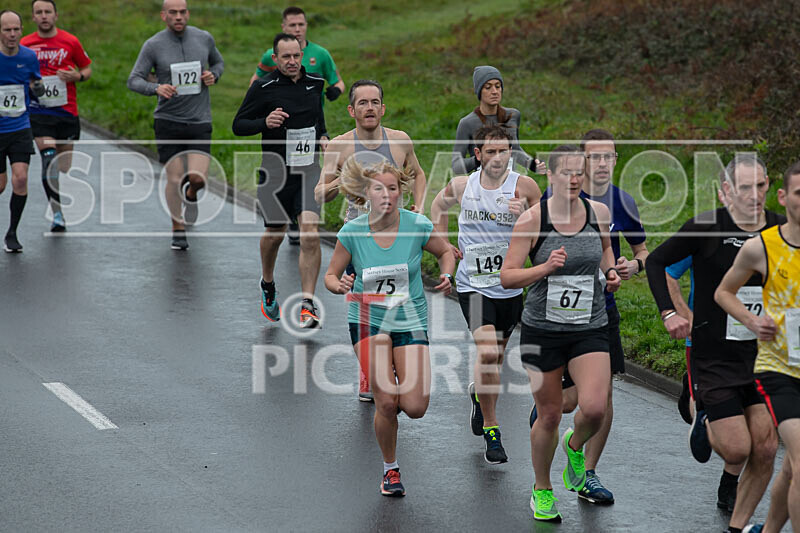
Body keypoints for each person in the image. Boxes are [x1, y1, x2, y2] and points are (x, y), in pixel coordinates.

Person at [646, 155, 783, 533]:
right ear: (725, 192)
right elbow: (657, 263)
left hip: (762, 358)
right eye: (743, 188)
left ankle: (738, 526)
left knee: (767, 447)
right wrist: (670, 314)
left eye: (760, 186)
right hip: (714, 357)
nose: (754, 195)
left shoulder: (780, 228)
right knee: (738, 448)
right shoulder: (706, 227)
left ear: (769, 185)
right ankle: (704, 415)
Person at [501, 145, 621, 522]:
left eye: (579, 173)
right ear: (549, 177)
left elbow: (604, 253)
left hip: (589, 325)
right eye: (566, 173)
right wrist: (544, 269)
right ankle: (542, 488)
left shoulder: (598, 213)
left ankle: (574, 445)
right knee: (549, 414)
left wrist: (613, 272)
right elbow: (507, 277)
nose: (573, 179)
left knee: (596, 407)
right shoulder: (533, 221)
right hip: (543, 329)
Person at [530, 129, 648, 505]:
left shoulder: (620, 202)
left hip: (599, 312)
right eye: (593, 157)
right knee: (563, 405)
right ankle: (547, 421)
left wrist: (631, 266)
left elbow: (642, 251)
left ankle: (588, 473)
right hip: (553, 316)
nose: (601, 164)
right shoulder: (555, 198)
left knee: (601, 398)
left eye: (608, 157)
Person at [324, 159, 455, 497]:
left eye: (393, 188)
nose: (386, 195)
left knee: (414, 406)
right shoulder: (352, 233)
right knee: (385, 402)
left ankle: (392, 394)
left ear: (401, 192)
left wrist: (447, 273)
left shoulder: (417, 225)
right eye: (378, 189)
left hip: (409, 317)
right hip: (367, 320)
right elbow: (330, 275)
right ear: (366, 193)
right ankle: (390, 469)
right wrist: (339, 284)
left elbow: (445, 252)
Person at [430, 124, 541, 464]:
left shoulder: (526, 187)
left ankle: (479, 395)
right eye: (490, 152)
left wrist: (525, 216)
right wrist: (444, 246)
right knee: (489, 352)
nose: (497, 157)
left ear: (511, 153)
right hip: (472, 285)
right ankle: (493, 431)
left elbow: (543, 228)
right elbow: (437, 206)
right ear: (477, 154)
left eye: (503, 151)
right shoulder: (464, 186)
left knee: (495, 355)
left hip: (509, 286)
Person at [314, 79, 427, 400]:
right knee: (368, 305)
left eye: (375, 102)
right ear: (351, 110)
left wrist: (419, 205)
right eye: (362, 103)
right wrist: (345, 178)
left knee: (396, 299)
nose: (369, 108)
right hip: (360, 238)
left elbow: (417, 173)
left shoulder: (400, 140)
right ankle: (370, 372)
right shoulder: (340, 145)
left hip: (398, 234)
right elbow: (319, 194)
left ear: (383, 108)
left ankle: (390, 360)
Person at [715, 161, 800, 533]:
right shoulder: (761, 246)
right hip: (778, 369)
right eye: (799, 193)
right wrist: (752, 321)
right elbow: (723, 292)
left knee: (790, 465)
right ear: (784, 196)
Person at [233, 33, 326, 328]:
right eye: (285, 57)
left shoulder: (315, 84)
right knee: (275, 233)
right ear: (275, 59)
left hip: (309, 169)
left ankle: (308, 304)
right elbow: (238, 125)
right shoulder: (263, 87)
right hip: (276, 171)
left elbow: (317, 119)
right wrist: (264, 122)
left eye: (296, 55)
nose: (292, 61)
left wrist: (323, 137)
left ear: (302, 54)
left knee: (310, 232)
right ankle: (268, 284)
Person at [127, 0, 224, 250]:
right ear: (164, 16)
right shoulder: (153, 45)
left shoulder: (204, 38)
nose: (178, 17)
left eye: (182, 12)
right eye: (173, 12)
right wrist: (156, 88)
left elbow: (218, 63)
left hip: (199, 121)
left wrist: (213, 75)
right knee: (174, 177)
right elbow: (134, 79)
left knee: (197, 178)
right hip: (168, 121)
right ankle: (177, 226)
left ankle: (191, 194)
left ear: (188, 14)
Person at [249, 6, 345, 246]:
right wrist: (264, 114)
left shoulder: (320, 54)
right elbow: (255, 82)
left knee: (309, 222)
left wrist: (333, 93)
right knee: (275, 230)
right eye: (292, 25)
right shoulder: (269, 57)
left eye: (301, 25)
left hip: (309, 130)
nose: (298, 29)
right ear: (284, 27)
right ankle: (290, 218)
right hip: (279, 148)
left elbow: (337, 82)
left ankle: (300, 216)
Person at [21, 0, 91, 232]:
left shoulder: (70, 41)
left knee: (63, 167)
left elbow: (86, 69)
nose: (43, 16)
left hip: (66, 111)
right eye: (38, 13)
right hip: (39, 112)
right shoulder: (25, 44)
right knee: (49, 160)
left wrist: (76, 76)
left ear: (55, 15)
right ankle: (57, 213)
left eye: (47, 12)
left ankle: (58, 201)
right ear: (33, 18)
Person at [0, 9, 43, 253]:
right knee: (1, 185)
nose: (13, 34)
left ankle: (12, 233)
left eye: (16, 29)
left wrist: (38, 88)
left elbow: (36, 85)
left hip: (20, 125)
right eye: (7, 30)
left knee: (21, 177)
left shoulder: (28, 57)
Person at [451, 65, 544, 176]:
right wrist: (480, 159)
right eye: (488, 87)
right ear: (479, 91)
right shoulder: (467, 123)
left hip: (510, 182)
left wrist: (532, 164)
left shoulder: (513, 116)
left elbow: (515, 149)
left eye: (498, 86)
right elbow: (456, 166)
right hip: (483, 184)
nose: (494, 91)